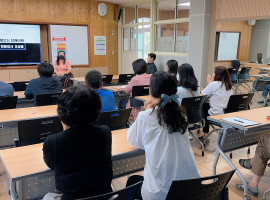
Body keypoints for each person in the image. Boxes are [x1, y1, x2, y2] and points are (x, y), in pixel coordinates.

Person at [127, 71, 200, 200]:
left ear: (152, 90)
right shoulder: (182, 114)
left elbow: (134, 141)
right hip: (190, 189)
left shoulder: (146, 116)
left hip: (159, 193)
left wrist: (144, 112)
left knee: (132, 182)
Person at [43, 85, 112, 200]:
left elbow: (51, 164)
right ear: (97, 109)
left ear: (62, 113)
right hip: (103, 196)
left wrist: (66, 128)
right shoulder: (105, 132)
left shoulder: (53, 141)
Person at [201, 66, 233, 142]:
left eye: (213, 72)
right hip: (226, 114)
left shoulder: (214, 84)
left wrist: (210, 82)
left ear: (217, 74)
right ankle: (205, 135)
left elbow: (201, 96)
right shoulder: (229, 85)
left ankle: (205, 135)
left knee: (203, 107)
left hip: (216, 114)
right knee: (206, 106)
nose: (212, 74)